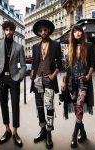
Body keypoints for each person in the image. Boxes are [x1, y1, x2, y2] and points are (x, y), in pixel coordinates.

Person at [0, 20, 26, 147]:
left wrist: (20, 76)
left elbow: (23, 65)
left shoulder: (19, 47)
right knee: (3, 104)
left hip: (14, 78)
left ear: (13, 31)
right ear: (4, 30)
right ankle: (7, 130)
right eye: (6, 29)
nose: (9, 32)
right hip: (1, 79)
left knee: (15, 104)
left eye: (11, 30)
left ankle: (15, 132)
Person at [61, 24, 94, 148]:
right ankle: (83, 132)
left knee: (79, 105)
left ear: (82, 33)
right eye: (75, 32)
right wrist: (64, 82)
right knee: (76, 108)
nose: (77, 33)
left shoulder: (89, 46)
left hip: (83, 81)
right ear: (72, 34)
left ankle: (74, 135)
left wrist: (88, 76)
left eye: (79, 31)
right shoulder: (71, 48)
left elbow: (92, 65)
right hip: (72, 83)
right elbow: (68, 69)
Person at [30, 19, 62, 149]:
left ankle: (49, 132)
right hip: (37, 79)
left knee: (49, 105)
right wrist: (32, 72)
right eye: (40, 30)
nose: (43, 32)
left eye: (45, 30)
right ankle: (42, 130)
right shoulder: (35, 46)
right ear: (38, 32)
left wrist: (54, 75)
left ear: (48, 31)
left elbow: (59, 62)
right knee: (39, 106)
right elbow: (34, 62)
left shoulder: (55, 44)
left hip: (49, 79)